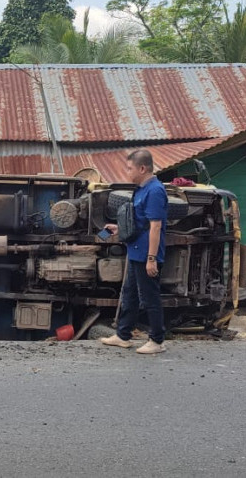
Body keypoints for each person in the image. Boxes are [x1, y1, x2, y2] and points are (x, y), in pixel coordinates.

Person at [101, 149, 169, 354]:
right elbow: (140, 223)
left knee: (149, 297)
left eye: (129, 168)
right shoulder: (141, 189)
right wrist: (119, 229)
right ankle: (123, 335)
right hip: (135, 250)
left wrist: (151, 258)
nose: (126, 171)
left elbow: (155, 226)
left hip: (146, 253)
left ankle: (157, 341)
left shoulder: (155, 191)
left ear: (142, 168)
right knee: (129, 294)